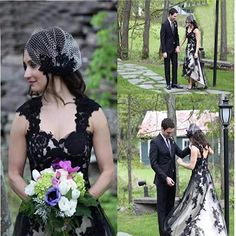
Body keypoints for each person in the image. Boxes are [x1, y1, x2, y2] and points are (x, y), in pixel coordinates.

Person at [8, 26, 115, 236]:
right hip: (37, 225)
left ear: (52, 63)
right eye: (24, 66)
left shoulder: (93, 113)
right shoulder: (23, 117)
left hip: (84, 224)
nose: (26, 74)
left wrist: (79, 206)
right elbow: (13, 175)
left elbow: (108, 172)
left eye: (32, 65)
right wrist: (44, 209)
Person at [164, 124, 227, 235]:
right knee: (207, 201)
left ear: (192, 137)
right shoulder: (205, 145)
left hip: (198, 178)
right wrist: (204, 154)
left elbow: (192, 166)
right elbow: (211, 152)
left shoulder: (194, 148)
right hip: (206, 177)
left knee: (193, 202)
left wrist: (181, 163)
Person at [149, 118, 190, 236]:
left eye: (171, 132)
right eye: (168, 132)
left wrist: (191, 146)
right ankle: (163, 234)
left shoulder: (171, 141)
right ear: (162, 129)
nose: (170, 134)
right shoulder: (155, 142)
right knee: (162, 210)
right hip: (162, 181)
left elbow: (181, 153)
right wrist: (165, 177)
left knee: (170, 208)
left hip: (172, 180)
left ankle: (169, 232)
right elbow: (154, 164)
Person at [180, 15, 207, 89]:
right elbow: (184, 38)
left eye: (188, 22)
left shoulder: (196, 30)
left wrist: (196, 52)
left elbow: (198, 42)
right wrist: (179, 46)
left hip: (193, 50)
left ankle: (191, 84)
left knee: (192, 66)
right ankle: (190, 82)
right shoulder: (187, 29)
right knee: (187, 66)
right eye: (186, 22)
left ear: (191, 22)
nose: (187, 23)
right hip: (188, 50)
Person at [160, 8, 183, 90]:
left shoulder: (175, 23)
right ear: (170, 15)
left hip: (174, 50)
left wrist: (177, 46)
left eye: (176, 16)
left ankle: (174, 83)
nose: (175, 18)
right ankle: (168, 84)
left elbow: (177, 35)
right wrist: (164, 51)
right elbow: (162, 39)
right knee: (167, 67)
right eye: (174, 16)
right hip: (167, 50)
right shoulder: (164, 24)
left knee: (175, 66)